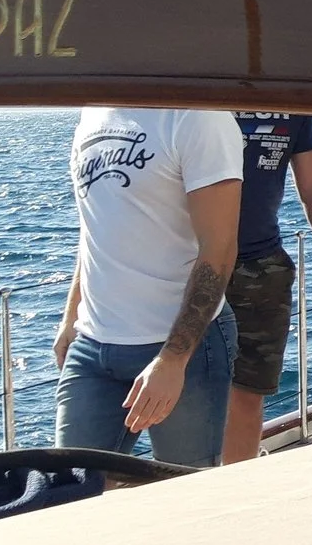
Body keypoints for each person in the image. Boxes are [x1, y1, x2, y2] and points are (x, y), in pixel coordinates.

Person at [55, 107, 245, 467]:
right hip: (93, 345)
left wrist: (173, 360)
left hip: (182, 348)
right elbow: (96, 226)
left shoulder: (199, 117)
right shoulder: (93, 113)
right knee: (66, 492)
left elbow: (218, 249)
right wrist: (70, 318)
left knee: (185, 493)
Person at [221, 113, 312, 464]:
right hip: (186, 266)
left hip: (260, 267)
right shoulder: (207, 87)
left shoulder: (292, 102)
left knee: (248, 392)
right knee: (181, 390)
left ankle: (232, 491)